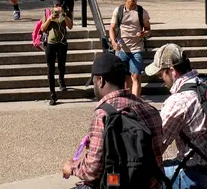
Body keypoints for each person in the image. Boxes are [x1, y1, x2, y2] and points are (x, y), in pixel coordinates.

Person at [63, 52, 165, 189]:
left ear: (100, 80)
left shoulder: (102, 115)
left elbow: (92, 170)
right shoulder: (150, 111)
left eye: (94, 82)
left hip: (116, 184)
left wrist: (72, 167)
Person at [145, 44, 207, 189]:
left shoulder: (178, 101)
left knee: (143, 177)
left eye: (161, 74)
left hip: (198, 176)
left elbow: (157, 148)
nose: (161, 79)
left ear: (172, 71)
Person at [109, 0, 151, 97]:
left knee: (135, 76)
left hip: (136, 48)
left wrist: (144, 33)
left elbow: (148, 29)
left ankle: (135, 101)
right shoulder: (118, 11)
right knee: (125, 77)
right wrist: (113, 41)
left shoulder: (142, 12)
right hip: (122, 48)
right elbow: (112, 28)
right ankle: (127, 100)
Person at [41, 0, 72, 105]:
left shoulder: (66, 12)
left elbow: (70, 26)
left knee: (62, 64)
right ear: (53, 6)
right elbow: (43, 28)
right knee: (50, 69)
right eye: (56, 5)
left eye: (59, 5)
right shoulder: (47, 12)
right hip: (50, 44)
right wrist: (49, 19)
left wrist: (64, 15)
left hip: (62, 43)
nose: (57, 7)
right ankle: (52, 94)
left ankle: (61, 79)